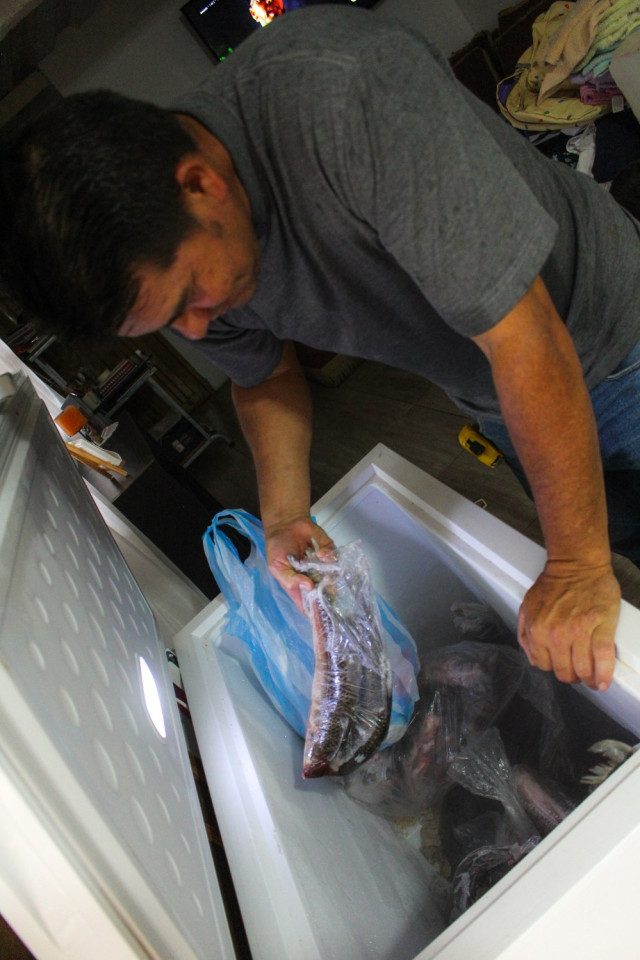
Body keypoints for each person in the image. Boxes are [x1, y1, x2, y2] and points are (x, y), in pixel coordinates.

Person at [1, 7, 639, 693]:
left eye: (190, 296)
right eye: (164, 323)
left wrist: (574, 565)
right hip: (501, 395)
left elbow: (526, 336)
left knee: (592, 562)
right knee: (620, 540)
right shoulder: (174, 245)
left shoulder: (346, 96)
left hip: (605, 329)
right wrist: (283, 518)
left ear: (200, 183)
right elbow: (263, 374)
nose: (195, 330)